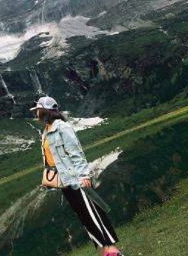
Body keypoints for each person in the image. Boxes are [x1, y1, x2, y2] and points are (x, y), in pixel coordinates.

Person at [30, 96, 123, 256]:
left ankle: (112, 250)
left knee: (92, 212)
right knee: (84, 215)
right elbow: (51, 159)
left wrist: (84, 176)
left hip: (76, 179)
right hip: (64, 181)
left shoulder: (62, 127)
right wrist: (49, 178)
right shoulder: (46, 131)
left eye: (38, 109)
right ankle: (106, 250)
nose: (36, 112)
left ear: (45, 110)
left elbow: (76, 153)